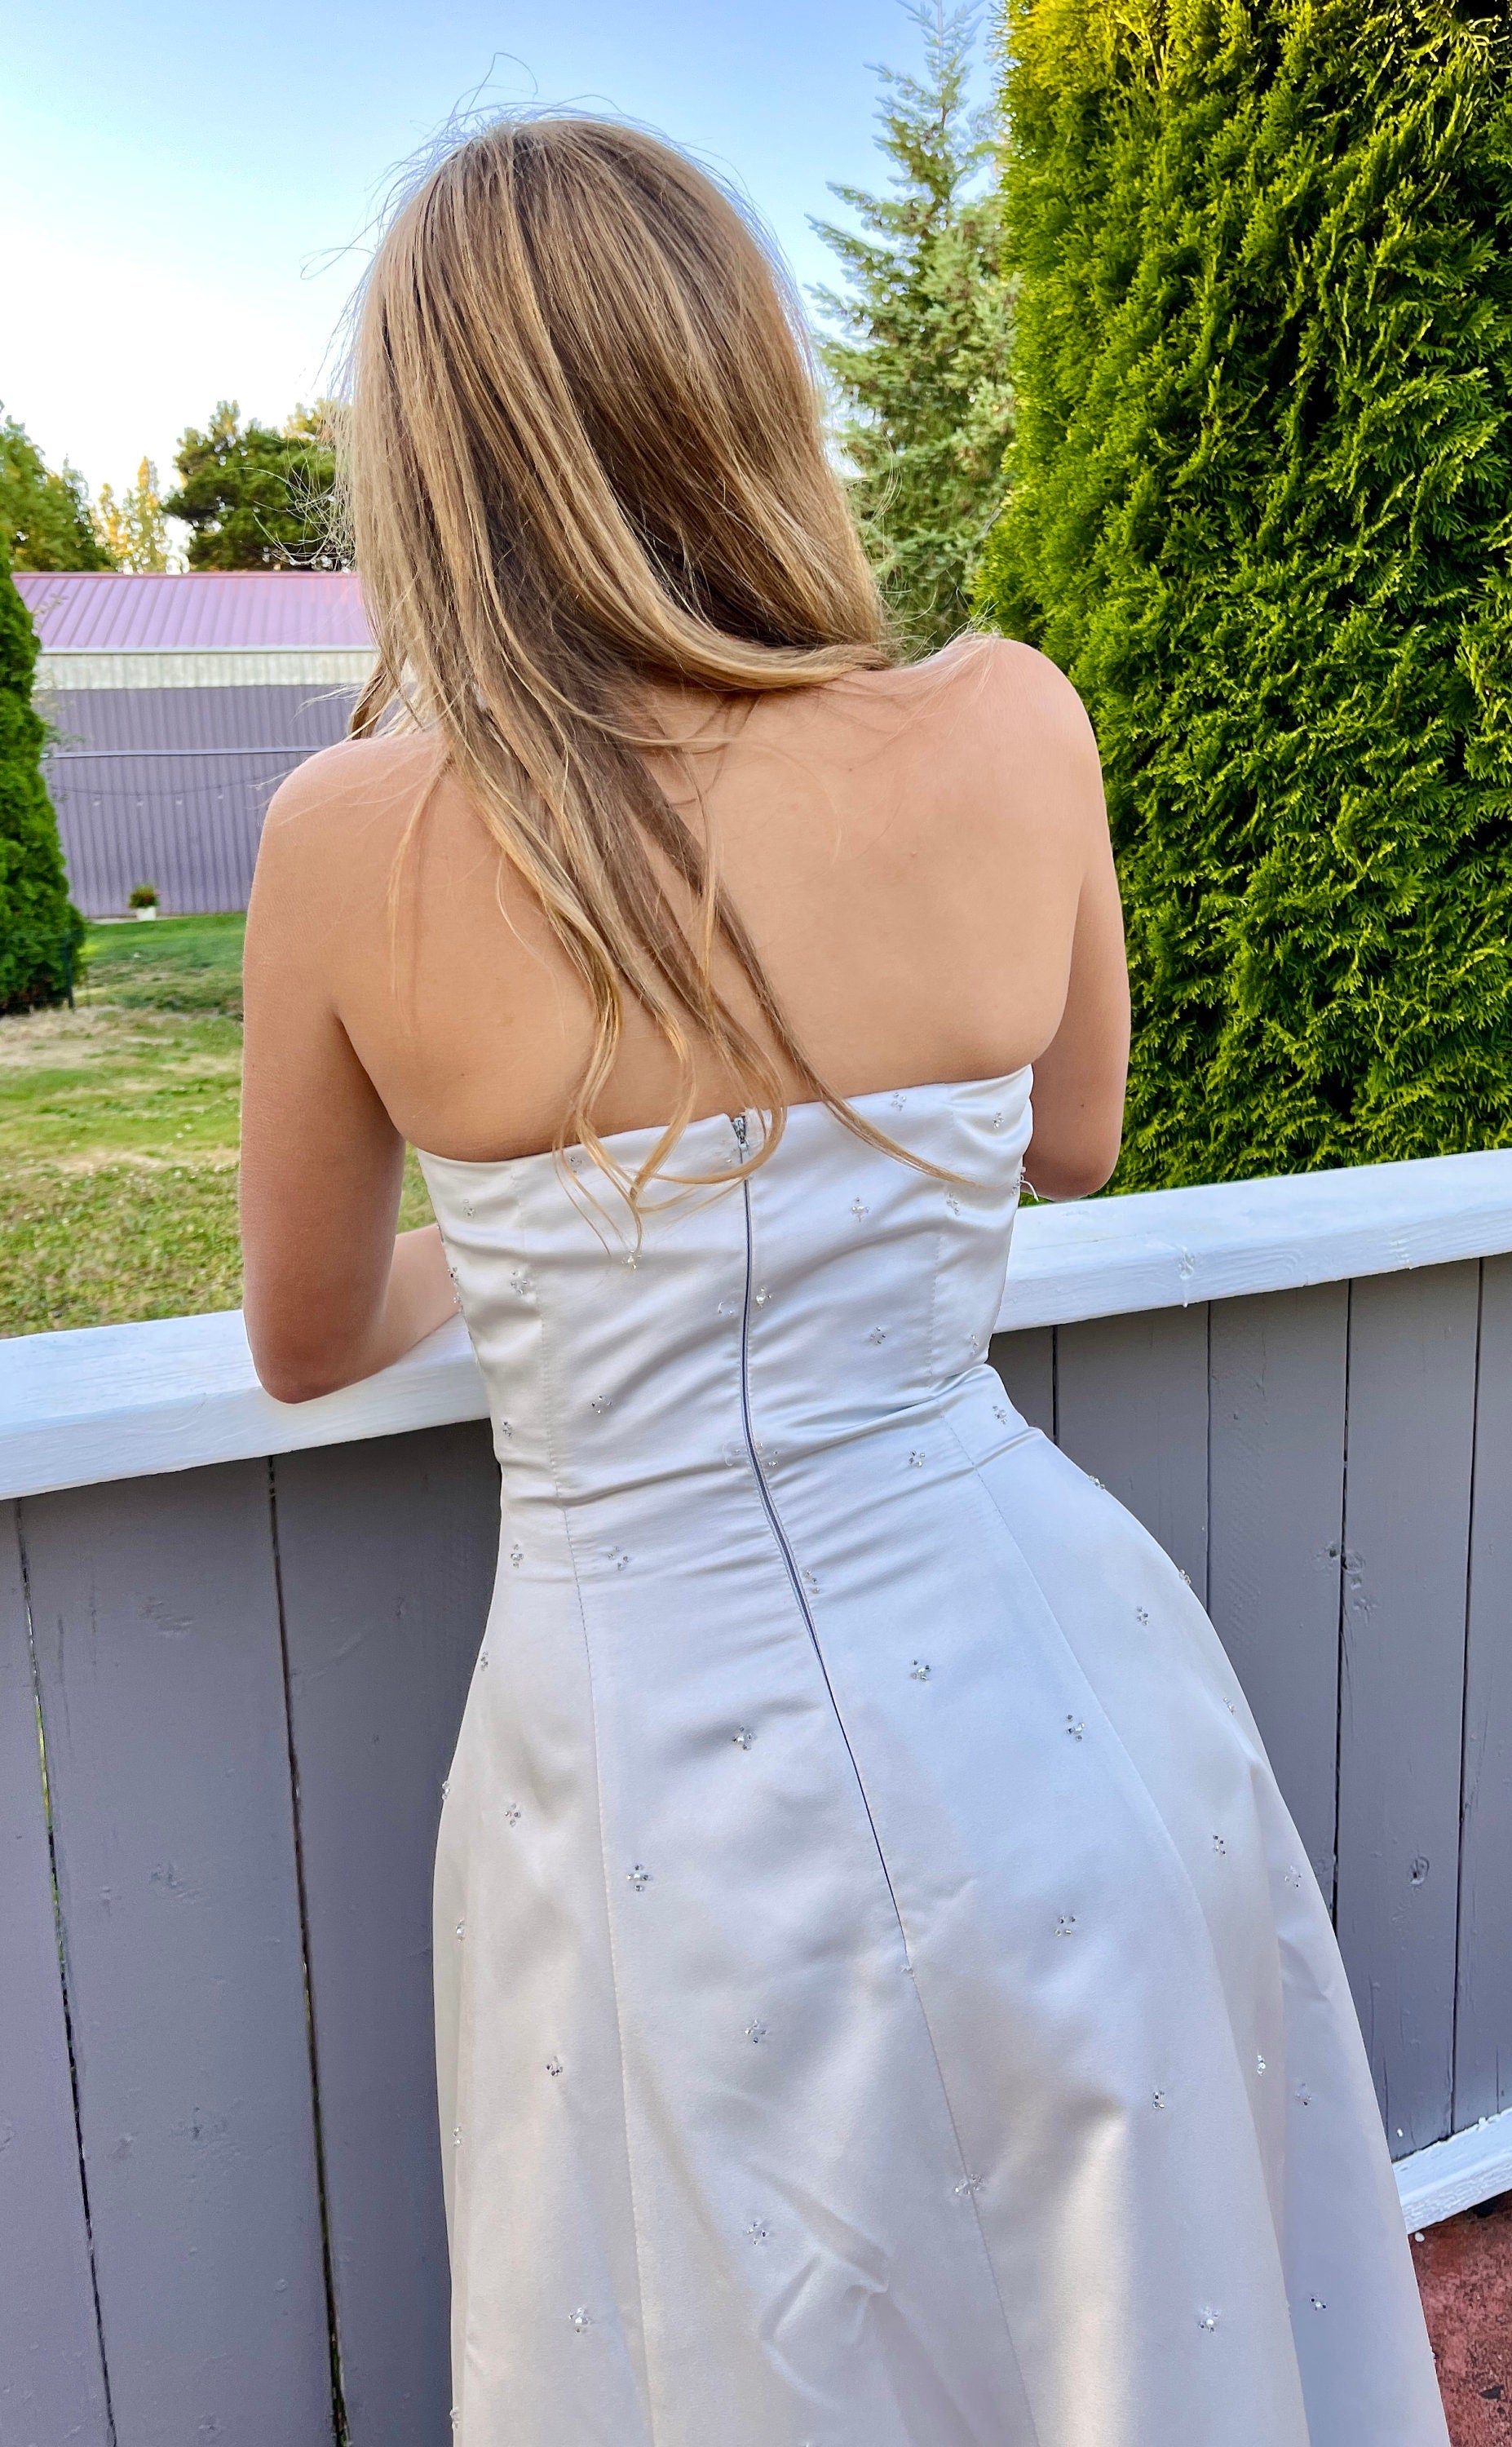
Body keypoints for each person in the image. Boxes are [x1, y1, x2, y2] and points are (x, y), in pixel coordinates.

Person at [240, 116, 1448, 2447]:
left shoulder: (350, 837)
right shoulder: (1009, 723)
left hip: (639, 1784)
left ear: (434, 448)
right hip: (1045, 1684)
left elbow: (304, 1334)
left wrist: (543, 1258)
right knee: (1145, 2312)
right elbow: (1068, 1140)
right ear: (747, 386)